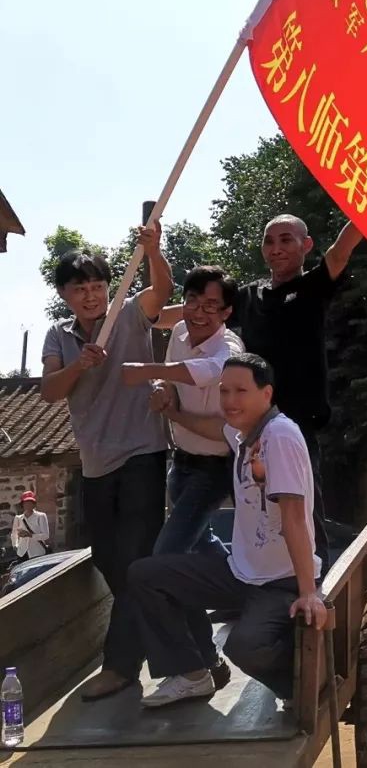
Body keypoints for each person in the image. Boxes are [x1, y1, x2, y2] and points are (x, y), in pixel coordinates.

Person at [156, 215, 364, 568]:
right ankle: (257, 584)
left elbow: (341, 250)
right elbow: (198, 309)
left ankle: (316, 589)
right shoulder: (250, 296)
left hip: (297, 425)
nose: (276, 248)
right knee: (258, 520)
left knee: (302, 514)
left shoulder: (313, 286)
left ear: (306, 245)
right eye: (269, 241)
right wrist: (140, 317)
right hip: (251, 431)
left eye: (286, 239)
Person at [129, 353, 326, 708]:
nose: (230, 400)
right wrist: (173, 413)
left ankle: (303, 687)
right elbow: (215, 429)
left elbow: (295, 518)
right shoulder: (243, 434)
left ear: (266, 394)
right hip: (240, 573)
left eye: (240, 391)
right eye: (224, 391)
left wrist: (309, 592)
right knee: (146, 575)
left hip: (280, 580)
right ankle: (191, 673)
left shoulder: (279, 436)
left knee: (244, 647)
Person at [41, 228, 173, 702]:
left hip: (142, 451)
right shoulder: (59, 335)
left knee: (135, 560)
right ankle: (180, 631)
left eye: (98, 286)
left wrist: (153, 250)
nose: (91, 296)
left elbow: (163, 291)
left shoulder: (131, 313)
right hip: (96, 460)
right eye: (80, 288)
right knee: (107, 559)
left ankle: (119, 666)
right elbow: (50, 391)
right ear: (65, 294)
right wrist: (80, 365)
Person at [122, 266, 244, 557]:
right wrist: (162, 389)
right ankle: (232, 578)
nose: (199, 313)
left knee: (167, 554)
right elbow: (171, 379)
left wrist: (148, 371)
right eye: (192, 302)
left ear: (226, 312)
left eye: (210, 306)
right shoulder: (179, 332)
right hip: (181, 462)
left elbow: (213, 371)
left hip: (215, 469)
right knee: (202, 542)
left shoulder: (230, 347)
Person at [10, 492, 49, 561]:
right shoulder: (18, 518)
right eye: (26, 503)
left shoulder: (41, 516)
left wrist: (30, 535)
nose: (28, 505)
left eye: (30, 503)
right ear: (22, 504)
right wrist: (15, 545)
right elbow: (14, 534)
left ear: (34, 504)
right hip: (22, 552)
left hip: (37, 552)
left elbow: (46, 536)